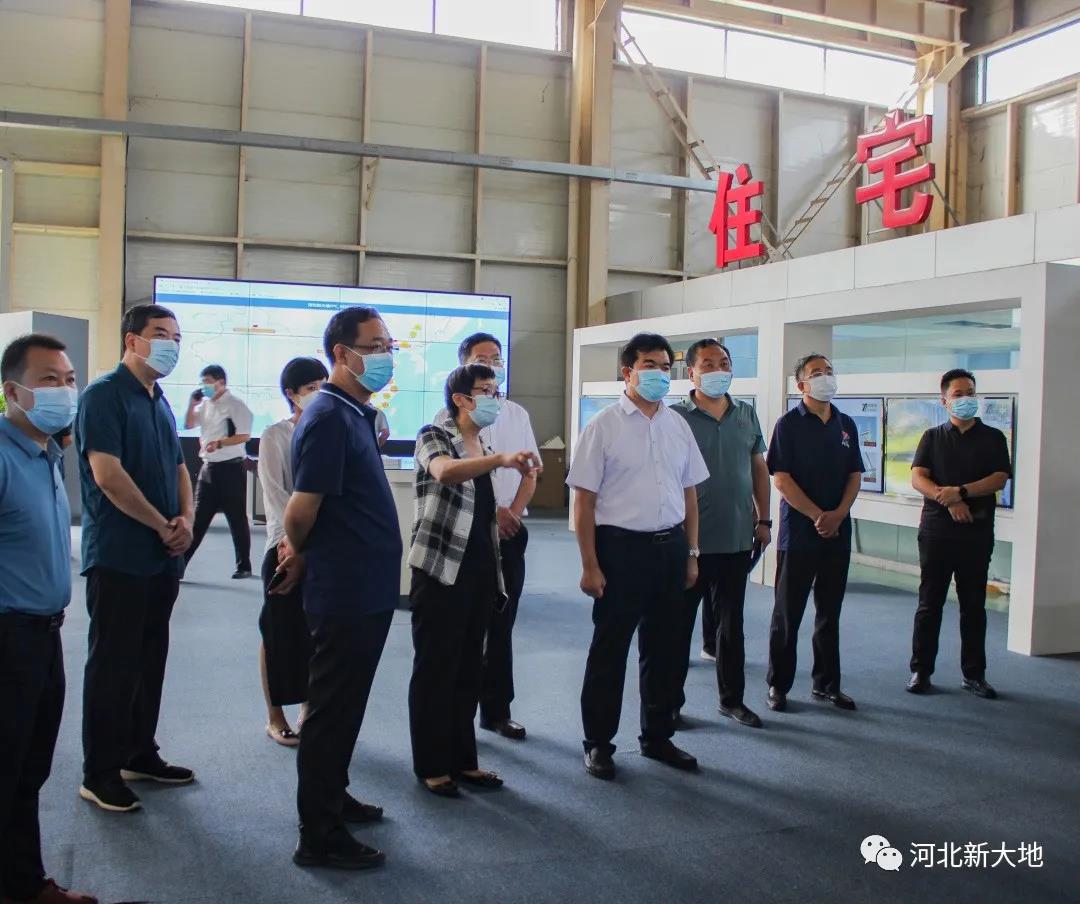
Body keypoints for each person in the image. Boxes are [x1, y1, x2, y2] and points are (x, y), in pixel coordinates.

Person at [276, 306, 401, 871]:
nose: (386, 355)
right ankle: (318, 833)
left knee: (347, 707)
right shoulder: (328, 415)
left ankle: (334, 796)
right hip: (345, 590)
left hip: (366, 586)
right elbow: (301, 510)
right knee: (329, 711)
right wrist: (298, 549)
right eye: (375, 346)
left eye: (389, 345)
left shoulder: (354, 413)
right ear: (341, 354)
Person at [567, 332, 709, 781]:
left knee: (665, 650)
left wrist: (691, 553)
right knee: (610, 650)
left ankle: (658, 736)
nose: (660, 374)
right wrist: (589, 564)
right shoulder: (603, 426)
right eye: (650, 365)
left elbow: (689, 493)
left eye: (666, 367)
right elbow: (583, 501)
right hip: (620, 550)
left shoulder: (677, 425)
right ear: (627, 372)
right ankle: (598, 743)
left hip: (670, 548)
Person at [76, 303, 195, 813]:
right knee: (113, 664)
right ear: (132, 340)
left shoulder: (158, 398)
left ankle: (138, 752)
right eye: (161, 334)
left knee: (149, 659)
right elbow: (108, 475)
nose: (172, 345)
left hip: (161, 557)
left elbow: (179, 467)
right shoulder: (103, 395)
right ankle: (99, 772)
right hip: (119, 555)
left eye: (177, 337)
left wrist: (186, 517)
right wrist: (161, 524)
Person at [408, 365, 540, 798]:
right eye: (485, 391)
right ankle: (432, 765)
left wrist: (519, 475)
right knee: (436, 668)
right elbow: (445, 472)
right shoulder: (434, 435)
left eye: (496, 391)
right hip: (440, 569)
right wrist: (500, 460)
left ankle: (463, 760)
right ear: (461, 399)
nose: (494, 399)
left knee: (468, 669)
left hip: (482, 569)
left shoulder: (481, 443)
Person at [1, 335, 97, 904]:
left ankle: (23, 883)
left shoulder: (45, 454)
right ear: (13, 392)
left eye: (68, 379)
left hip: (44, 633)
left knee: (27, 768)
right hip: (8, 638)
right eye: (48, 380)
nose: (64, 390)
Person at [671, 339, 771, 729]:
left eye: (724, 363)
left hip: (736, 538)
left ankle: (732, 700)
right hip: (689, 543)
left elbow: (758, 467)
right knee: (678, 627)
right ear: (691, 372)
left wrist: (764, 520)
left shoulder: (745, 413)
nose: (718, 370)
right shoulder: (675, 417)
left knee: (732, 627)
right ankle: (670, 704)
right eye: (708, 364)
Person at [765, 354, 864, 714]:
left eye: (829, 371)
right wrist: (817, 516)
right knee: (787, 613)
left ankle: (826, 684)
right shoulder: (788, 424)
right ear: (801, 384)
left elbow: (855, 474)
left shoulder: (845, 424)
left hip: (837, 532)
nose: (825, 377)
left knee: (829, 612)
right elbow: (781, 478)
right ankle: (778, 685)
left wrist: (838, 515)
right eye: (816, 373)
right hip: (800, 534)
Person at [907, 369, 1011, 699]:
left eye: (970, 393)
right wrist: (949, 500)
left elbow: (999, 478)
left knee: (973, 606)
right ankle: (921, 671)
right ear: (944, 401)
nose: (965, 399)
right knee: (929, 604)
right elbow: (918, 478)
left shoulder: (993, 438)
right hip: (936, 532)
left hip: (975, 533)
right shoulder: (932, 437)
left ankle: (974, 674)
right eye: (957, 394)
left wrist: (961, 492)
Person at [458, 332, 539, 741]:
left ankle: (497, 711)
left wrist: (513, 512)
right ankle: (458, 716)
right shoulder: (447, 419)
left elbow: (531, 470)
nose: (491, 364)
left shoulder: (516, 413)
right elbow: (453, 478)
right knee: (465, 627)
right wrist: (491, 513)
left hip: (510, 531)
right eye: (481, 358)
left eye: (496, 358)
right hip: (469, 534)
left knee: (502, 625)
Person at [256, 357, 327, 746]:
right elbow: (277, 495)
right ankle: (275, 716)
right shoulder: (275, 435)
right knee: (277, 632)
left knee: (316, 633)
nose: (319, 392)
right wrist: (294, 545)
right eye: (311, 387)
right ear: (291, 393)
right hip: (284, 546)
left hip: (324, 549)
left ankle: (308, 706)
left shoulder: (329, 430)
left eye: (323, 384)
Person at [183, 364, 254, 579]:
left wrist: (220, 443)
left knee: (236, 519)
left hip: (231, 468)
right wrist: (192, 404)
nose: (204, 386)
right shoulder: (205, 405)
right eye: (203, 382)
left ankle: (244, 566)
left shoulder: (236, 405)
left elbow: (245, 435)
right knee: (198, 519)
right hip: (209, 468)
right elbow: (188, 424)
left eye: (208, 382)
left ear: (221, 383)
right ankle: (179, 566)